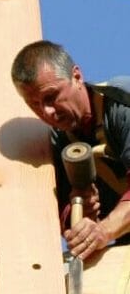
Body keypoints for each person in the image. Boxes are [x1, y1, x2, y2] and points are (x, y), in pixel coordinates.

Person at [11, 40, 130, 260]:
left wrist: (103, 230)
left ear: (76, 76)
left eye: (51, 97)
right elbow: (65, 213)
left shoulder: (121, 104)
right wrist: (81, 215)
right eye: (34, 105)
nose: (47, 112)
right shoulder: (61, 141)